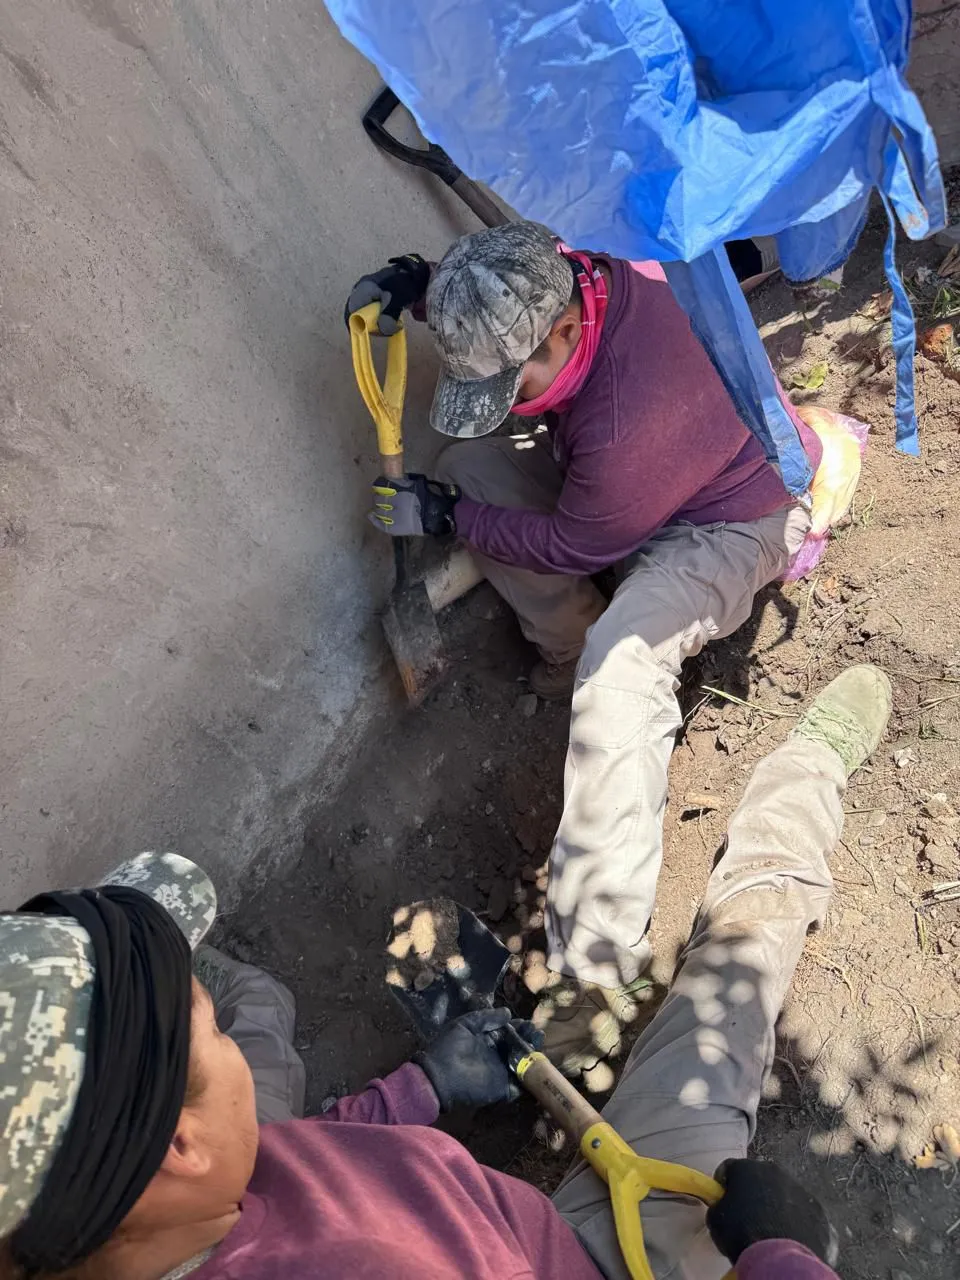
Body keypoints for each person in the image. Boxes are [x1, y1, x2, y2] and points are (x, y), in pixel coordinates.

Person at [0, 663, 890, 1279]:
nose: (226, 1046)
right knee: (731, 980)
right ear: (178, 1146)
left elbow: (287, 1158)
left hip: (503, 1224)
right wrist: (785, 1254)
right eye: (203, 1026)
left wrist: (421, 1086)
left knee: (263, 1015)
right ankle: (803, 780)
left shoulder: (172, 1208)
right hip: (612, 1258)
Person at [348, 221, 826, 1069]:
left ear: (567, 331)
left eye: (514, 378)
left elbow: (576, 544)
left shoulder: (629, 423)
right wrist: (423, 289)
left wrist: (453, 522)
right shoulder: (580, 275)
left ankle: (597, 973)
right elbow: (506, 309)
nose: (506, 394)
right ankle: (563, 642)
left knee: (622, 670)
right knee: (476, 465)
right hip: (636, 491)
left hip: (731, 519)